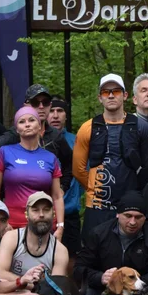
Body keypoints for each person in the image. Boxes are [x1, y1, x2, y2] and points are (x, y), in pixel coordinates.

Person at [72, 73, 148, 241]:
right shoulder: (87, 128)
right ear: (100, 98)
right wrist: (94, 186)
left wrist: (134, 188)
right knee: (92, 252)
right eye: (105, 92)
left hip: (129, 208)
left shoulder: (140, 126)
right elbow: (78, 169)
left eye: (116, 91)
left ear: (125, 96)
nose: (110, 95)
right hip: (97, 205)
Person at [0, 84, 74, 201]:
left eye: (45, 102)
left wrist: (62, 188)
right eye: (35, 102)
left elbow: (70, 163)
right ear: (26, 105)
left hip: (46, 205)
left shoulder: (56, 136)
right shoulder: (14, 134)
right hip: (16, 202)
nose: (41, 107)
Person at [0, 106, 65, 235]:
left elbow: (57, 196)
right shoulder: (5, 152)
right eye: (22, 122)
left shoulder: (50, 158)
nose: (27, 125)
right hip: (12, 225)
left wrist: (60, 226)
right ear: (17, 129)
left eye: (31, 120)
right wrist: (2, 221)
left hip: (43, 224)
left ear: (40, 126)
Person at [0, 192, 70, 282]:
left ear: (53, 214)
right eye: (35, 210)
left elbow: (56, 289)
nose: (41, 214)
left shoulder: (60, 251)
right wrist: (25, 281)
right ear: (26, 214)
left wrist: (41, 281)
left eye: (46, 210)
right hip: (11, 293)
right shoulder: (11, 238)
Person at [47, 98, 83, 255]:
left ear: (66, 115)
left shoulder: (76, 141)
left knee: (71, 257)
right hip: (43, 210)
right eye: (51, 111)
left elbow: (83, 174)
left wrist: (73, 196)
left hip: (69, 210)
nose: (55, 115)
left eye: (60, 111)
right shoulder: (36, 140)